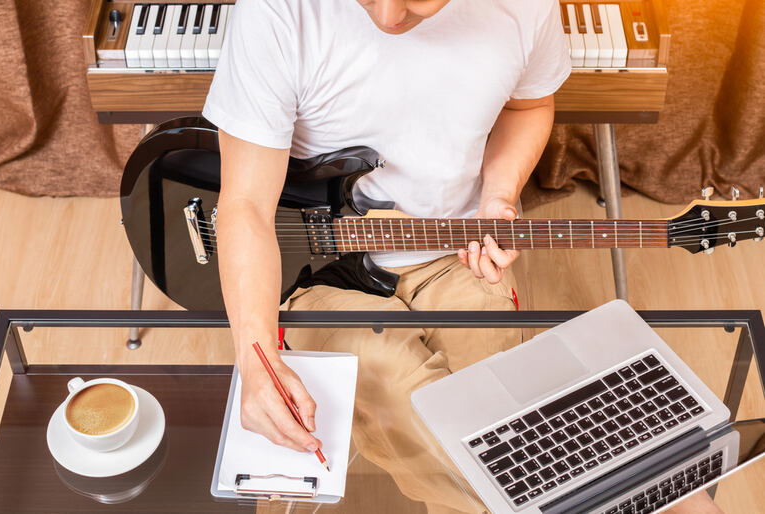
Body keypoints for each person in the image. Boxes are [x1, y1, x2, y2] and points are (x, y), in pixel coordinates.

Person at [203, 1, 723, 512]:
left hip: (454, 250)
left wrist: (498, 195)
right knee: (395, 384)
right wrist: (256, 360)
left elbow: (528, 105)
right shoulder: (274, 10)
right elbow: (246, 204)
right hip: (314, 272)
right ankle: (631, 488)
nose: (387, 18)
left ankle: (600, 488)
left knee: (500, 403)